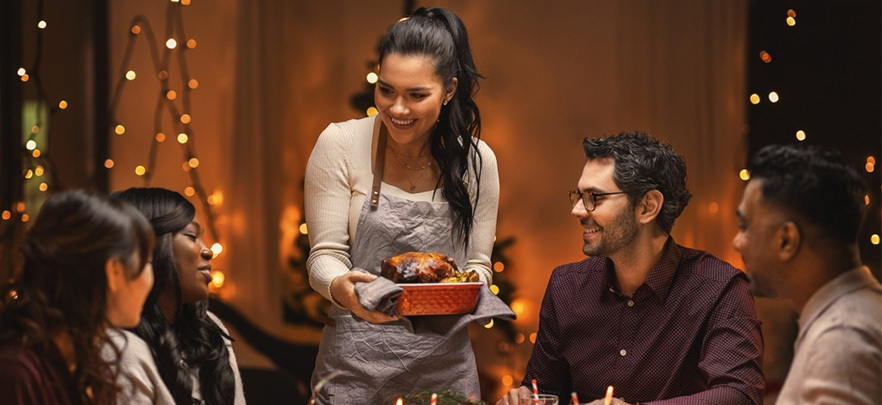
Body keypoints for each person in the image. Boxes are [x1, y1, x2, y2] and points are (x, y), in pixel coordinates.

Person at [304, 6, 499, 404]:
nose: (397, 108)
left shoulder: (478, 163)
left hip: (445, 375)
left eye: (417, 95)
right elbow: (324, 255)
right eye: (387, 89)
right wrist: (341, 286)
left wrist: (465, 290)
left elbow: (478, 264)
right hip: (353, 369)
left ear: (449, 90)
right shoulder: (339, 144)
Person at [498, 132, 765, 405]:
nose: (578, 210)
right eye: (579, 196)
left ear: (647, 207)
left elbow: (740, 395)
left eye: (595, 197)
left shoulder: (719, 287)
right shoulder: (566, 286)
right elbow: (543, 390)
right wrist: (524, 399)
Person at [0, 189, 155, 404]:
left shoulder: (87, 361)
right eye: (147, 262)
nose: (151, 276)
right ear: (114, 272)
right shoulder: (16, 374)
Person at [733, 144, 880, 404]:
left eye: (745, 226)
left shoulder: (842, 341)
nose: (737, 242)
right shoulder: (855, 312)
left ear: (786, 241)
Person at [110, 187, 245, 405]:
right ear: (148, 248)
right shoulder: (120, 348)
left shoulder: (210, 330)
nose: (208, 250)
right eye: (192, 236)